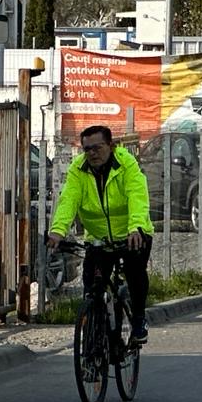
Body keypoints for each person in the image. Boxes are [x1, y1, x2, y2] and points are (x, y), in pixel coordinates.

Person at [47, 124, 155, 345]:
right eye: (87, 149)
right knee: (92, 285)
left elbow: (137, 197)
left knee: (135, 272)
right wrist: (58, 231)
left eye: (97, 148)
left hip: (132, 233)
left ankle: (138, 320)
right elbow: (69, 200)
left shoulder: (126, 165)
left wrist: (135, 228)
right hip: (98, 238)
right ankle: (93, 339)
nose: (92, 153)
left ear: (111, 146)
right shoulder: (79, 170)